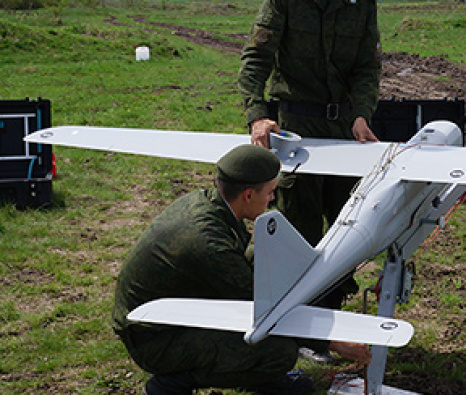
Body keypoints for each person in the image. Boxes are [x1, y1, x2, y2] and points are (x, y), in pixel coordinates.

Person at [112, 145, 371, 395]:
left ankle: (253, 373)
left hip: (170, 315)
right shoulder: (210, 245)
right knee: (279, 352)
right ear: (248, 195)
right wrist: (331, 341)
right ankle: (173, 382)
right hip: (155, 340)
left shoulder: (208, 203)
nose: (272, 199)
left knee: (265, 253)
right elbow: (264, 309)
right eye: (270, 192)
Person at [238, 0, 382, 363]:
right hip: (297, 129)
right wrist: (257, 115)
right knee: (297, 228)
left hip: (346, 131)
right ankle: (279, 321)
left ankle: (325, 326)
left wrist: (363, 112)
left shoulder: (361, 4)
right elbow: (256, 60)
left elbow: (367, 64)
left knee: (347, 228)